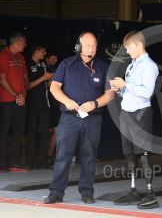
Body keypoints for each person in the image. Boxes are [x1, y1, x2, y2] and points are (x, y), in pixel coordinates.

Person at [44, 32, 114, 204]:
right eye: (88, 45)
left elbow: (111, 93)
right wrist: (66, 101)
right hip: (69, 118)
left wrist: (95, 103)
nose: (92, 48)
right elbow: (54, 88)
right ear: (79, 46)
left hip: (92, 119)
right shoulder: (67, 64)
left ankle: (87, 192)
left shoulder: (104, 67)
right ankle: (56, 192)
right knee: (63, 156)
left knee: (89, 156)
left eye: (95, 45)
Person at [110, 30, 159, 209]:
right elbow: (128, 92)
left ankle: (150, 192)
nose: (127, 51)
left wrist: (126, 85)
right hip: (127, 111)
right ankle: (133, 189)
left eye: (129, 48)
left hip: (141, 113)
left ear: (139, 45)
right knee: (129, 152)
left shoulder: (149, 66)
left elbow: (147, 93)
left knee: (143, 153)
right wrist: (119, 89)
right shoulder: (132, 65)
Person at [0, 32, 28, 172]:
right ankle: (1, 164)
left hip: (20, 101)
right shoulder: (3, 56)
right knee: (3, 132)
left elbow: (25, 78)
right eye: (24, 43)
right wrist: (17, 95)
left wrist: (23, 95)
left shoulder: (21, 57)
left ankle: (15, 164)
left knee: (18, 132)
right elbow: (2, 79)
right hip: (6, 101)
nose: (25, 45)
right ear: (17, 42)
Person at [26, 45, 54, 169]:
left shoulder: (43, 65)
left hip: (44, 103)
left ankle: (43, 160)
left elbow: (45, 85)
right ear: (36, 51)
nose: (45, 53)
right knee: (31, 132)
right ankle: (30, 161)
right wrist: (43, 77)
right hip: (31, 103)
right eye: (43, 51)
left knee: (45, 132)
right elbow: (27, 86)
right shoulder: (27, 64)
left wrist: (49, 81)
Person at [45, 52, 60, 166]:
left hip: (56, 105)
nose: (55, 60)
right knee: (47, 131)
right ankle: (43, 155)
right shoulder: (44, 69)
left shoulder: (56, 69)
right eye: (53, 57)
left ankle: (49, 155)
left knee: (56, 130)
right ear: (47, 59)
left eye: (56, 58)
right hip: (46, 105)